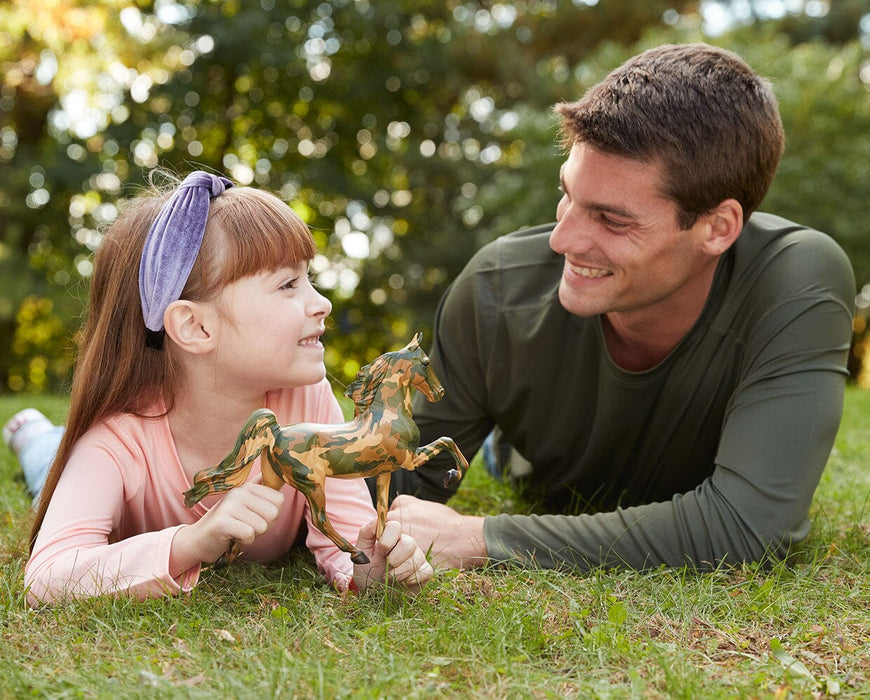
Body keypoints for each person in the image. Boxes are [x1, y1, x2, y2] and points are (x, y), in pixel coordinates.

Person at [382, 43, 856, 573]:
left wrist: (482, 538)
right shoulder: (497, 288)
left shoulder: (795, 278)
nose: (563, 240)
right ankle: (502, 442)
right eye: (567, 194)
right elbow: (392, 483)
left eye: (612, 220)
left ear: (717, 228)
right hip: (533, 455)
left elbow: (748, 526)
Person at [17, 171, 433, 605]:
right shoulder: (116, 442)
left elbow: (346, 543)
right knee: (48, 461)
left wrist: (368, 568)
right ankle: (31, 434)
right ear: (196, 326)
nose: (322, 302)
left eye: (308, 278)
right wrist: (191, 543)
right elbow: (48, 576)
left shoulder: (309, 402)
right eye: (287, 284)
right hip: (77, 464)